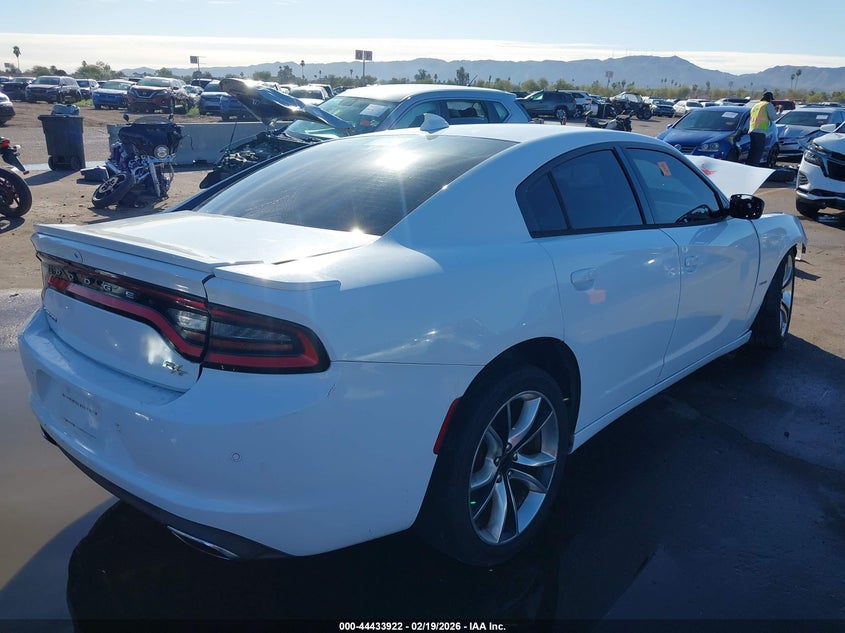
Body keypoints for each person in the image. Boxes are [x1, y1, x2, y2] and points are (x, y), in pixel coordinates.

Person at [747, 91, 777, 166]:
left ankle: (749, 165)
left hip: (752, 130)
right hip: (760, 131)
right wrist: (779, 112)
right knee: (758, 151)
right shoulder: (768, 105)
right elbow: (773, 118)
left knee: (752, 151)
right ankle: (755, 167)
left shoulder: (756, 105)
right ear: (770, 99)